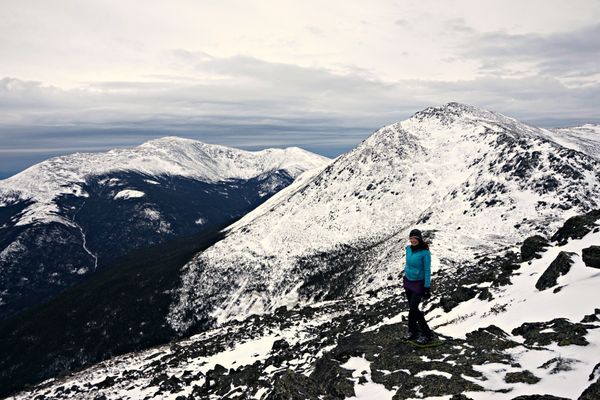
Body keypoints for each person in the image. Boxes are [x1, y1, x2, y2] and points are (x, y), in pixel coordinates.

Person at [402, 228, 434, 344]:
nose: (413, 240)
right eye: (411, 238)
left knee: (414, 308)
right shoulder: (408, 249)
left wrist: (427, 287)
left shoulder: (425, 253)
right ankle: (413, 331)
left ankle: (427, 334)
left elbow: (427, 270)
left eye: (415, 238)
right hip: (408, 281)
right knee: (412, 308)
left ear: (419, 239)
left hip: (418, 283)